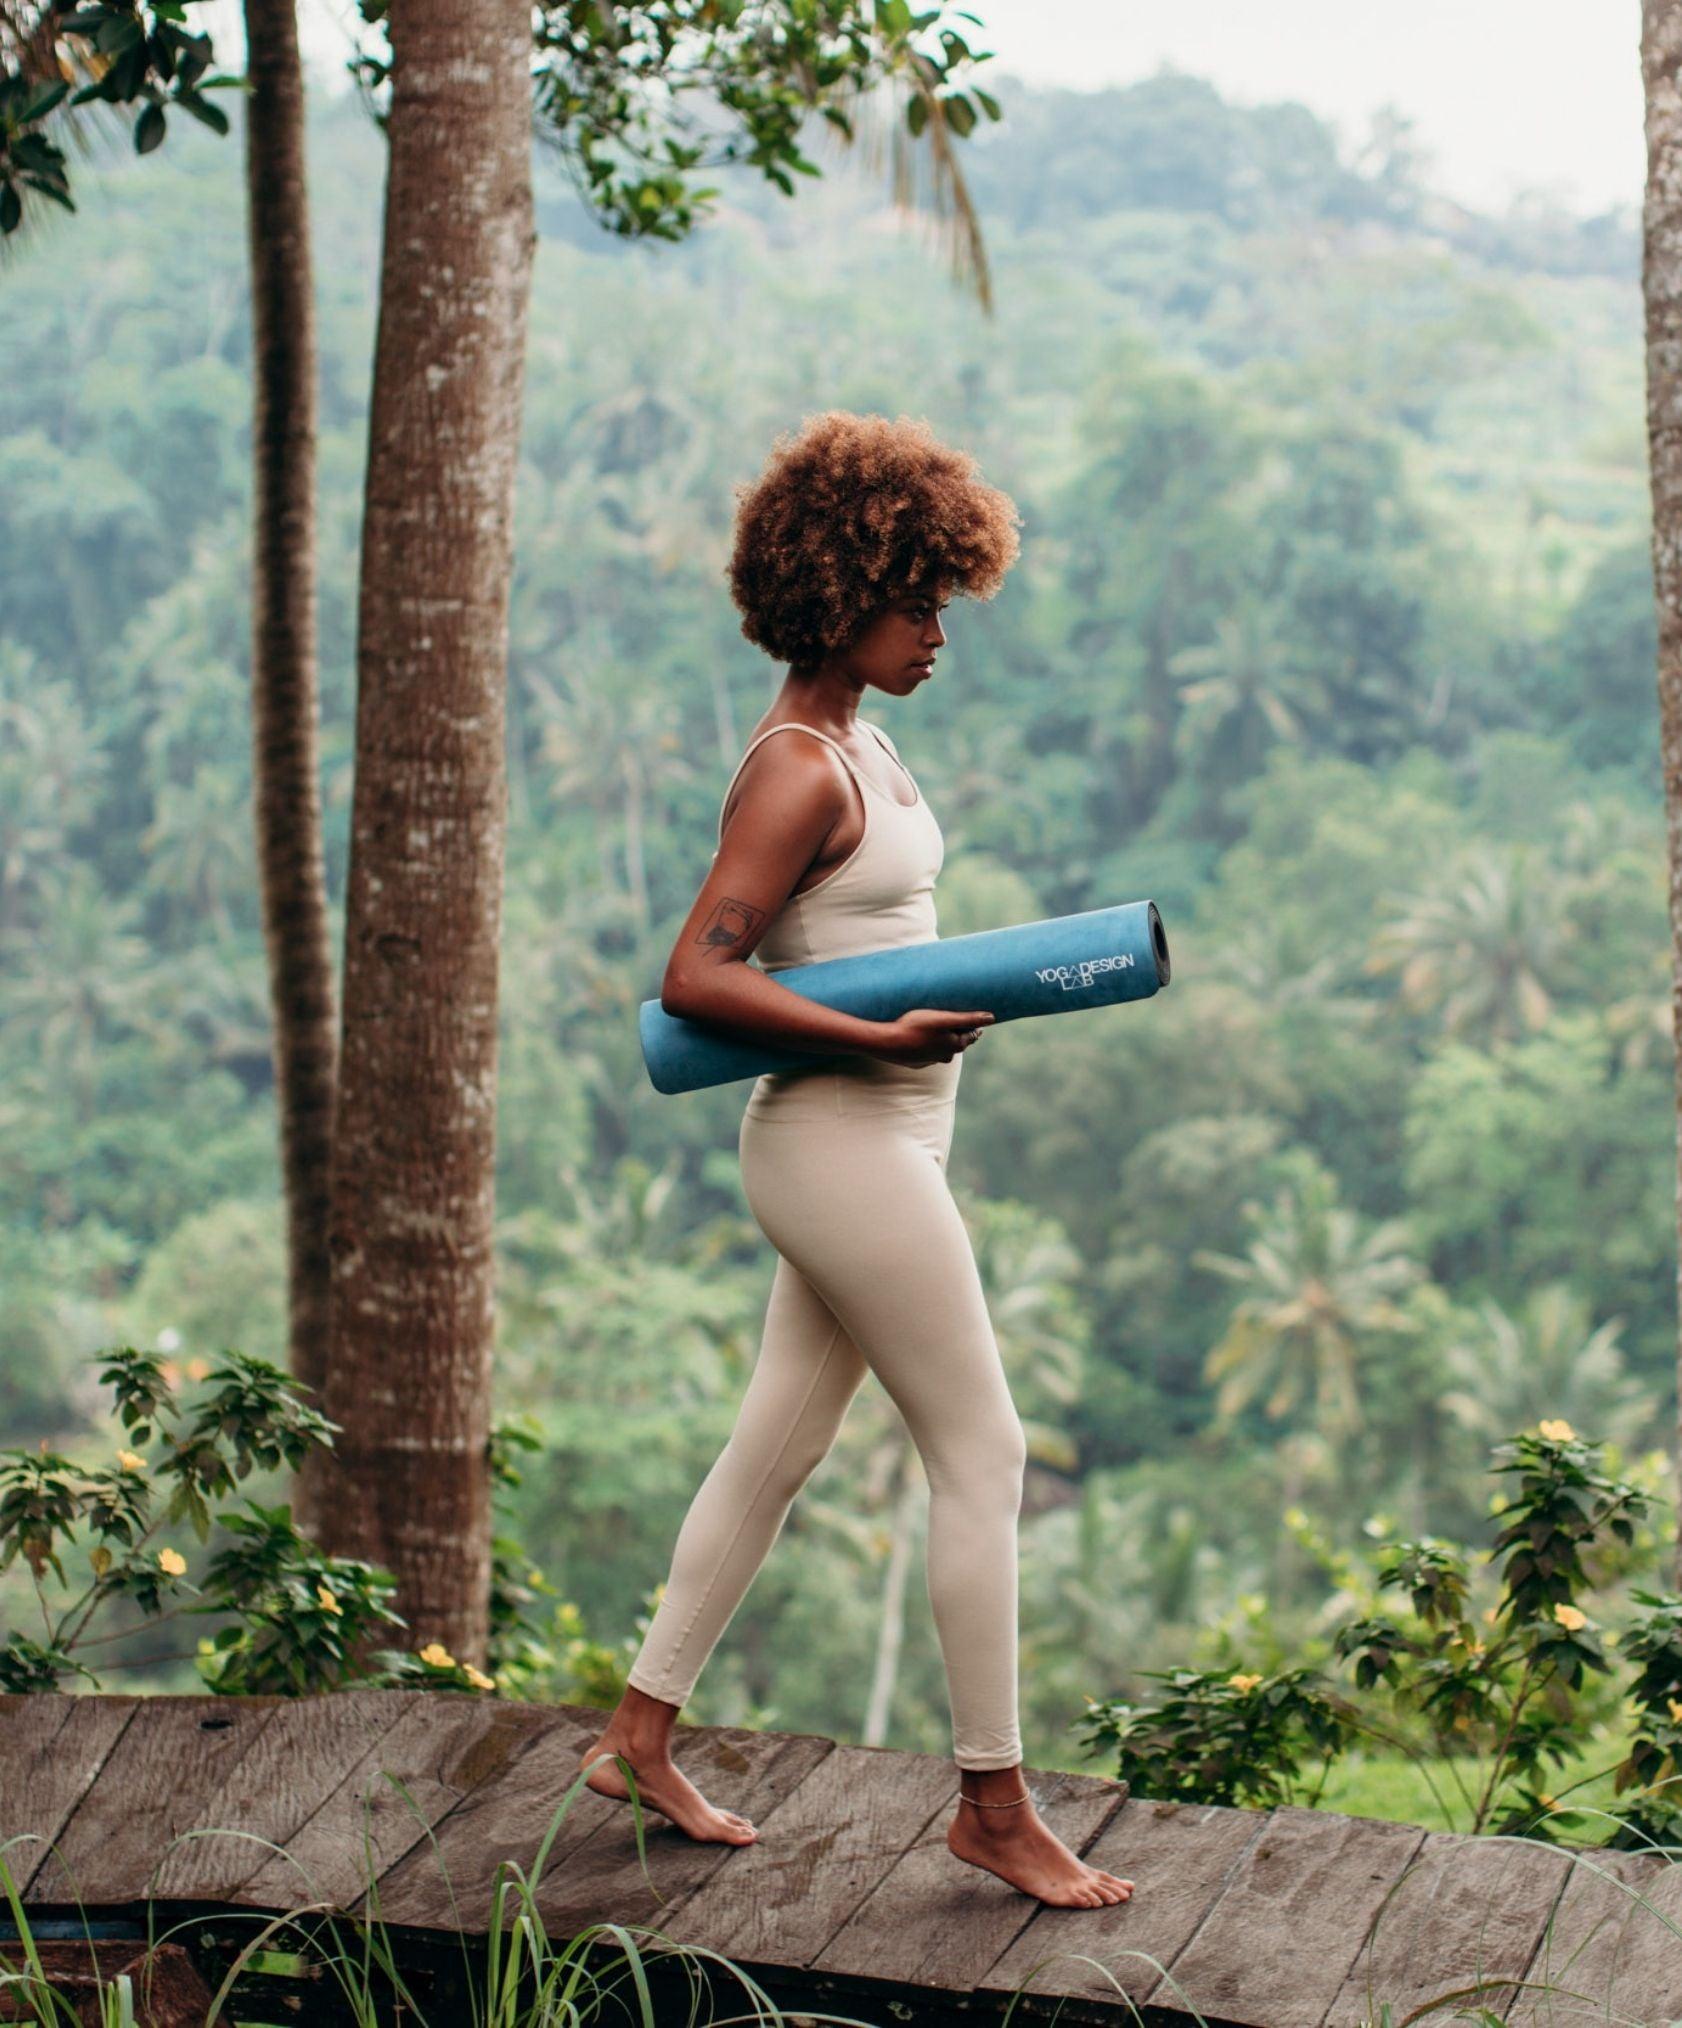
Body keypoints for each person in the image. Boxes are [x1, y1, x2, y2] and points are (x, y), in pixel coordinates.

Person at [578, 411, 1134, 1909]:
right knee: (985, 1453)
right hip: (837, 1145)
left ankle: (636, 1736)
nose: (939, 634)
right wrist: (879, 1040)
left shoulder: (864, 744)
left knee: (778, 1447)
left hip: (882, 1140)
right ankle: (993, 1804)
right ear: (841, 597)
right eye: (919, 605)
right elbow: (697, 975)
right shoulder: (795, 771)